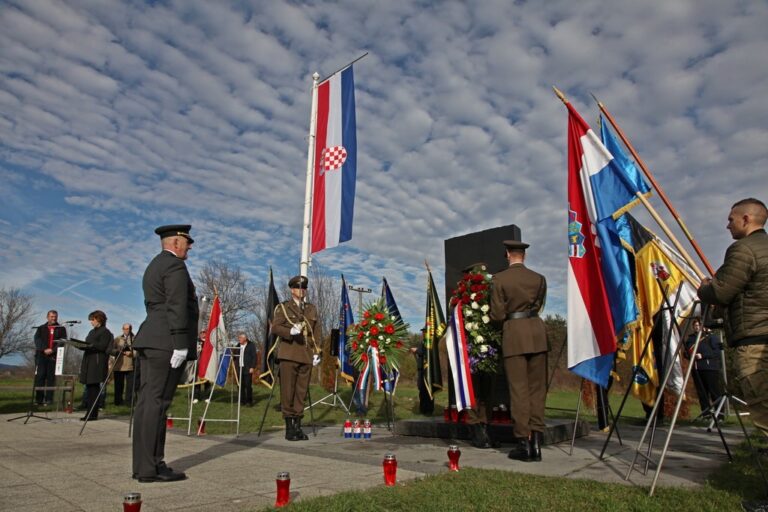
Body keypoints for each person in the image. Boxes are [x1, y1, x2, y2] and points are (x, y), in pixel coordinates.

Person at [132, 224, 199, 483]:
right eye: (187, 241)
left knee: (148, 403)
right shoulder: (174, 266)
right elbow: (177, 305)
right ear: (175, 243)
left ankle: (144, 465)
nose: (190, 246)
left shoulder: (154, 265)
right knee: (158, 404)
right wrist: (181, 342)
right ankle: (153, 466)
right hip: (167, 341)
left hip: (152, 338)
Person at [698, 198, 768, 437]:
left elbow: (721, 291)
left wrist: (704, 287)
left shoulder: (743, 249)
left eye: (731, 219)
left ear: (746, 219)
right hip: (761, 333)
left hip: (755, 340)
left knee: (762, 406)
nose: (728, 225)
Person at [490, 239, 548, 462]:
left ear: (507, 254)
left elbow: (496, 315)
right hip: (538, 334)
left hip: (514, 335)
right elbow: (538, 306)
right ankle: (536, 442)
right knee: (537, 390)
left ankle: (523, 443)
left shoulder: (500, 279)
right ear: (523, 256)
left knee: (519, 390)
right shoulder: (539, 279)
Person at [271, 275, 321, 441]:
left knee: (301, 392)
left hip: (306, 355)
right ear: (292, 290)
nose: (302, 290)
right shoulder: (283, 307)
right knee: (288, 391)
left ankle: (298, 427)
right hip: (289, 353)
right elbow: (275, 327)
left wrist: (316, 352)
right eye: (299, 288)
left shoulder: (311, 309)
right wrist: (289, 332)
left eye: (304, 288)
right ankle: (289, 428)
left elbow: (316, 332)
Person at [77, 310, 113, 421]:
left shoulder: (105, 332)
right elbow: (87, 343)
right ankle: (90, 412)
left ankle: (92, 414)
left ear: (99, 319)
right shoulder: (92, 332)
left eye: (92, 320)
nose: (91, 322)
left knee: (94, 388)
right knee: (89, 388)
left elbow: (102, 346)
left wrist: (90, 345)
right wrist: (80, 345)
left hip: (97, 363)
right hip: (88, 361)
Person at [684, 318, 724, 417]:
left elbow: (717, 352)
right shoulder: (690, 339)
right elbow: (686, 352)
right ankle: (706, 413)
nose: (697, 327)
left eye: (699, 325)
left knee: (714, 392)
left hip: (710, 368)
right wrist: (690, 355)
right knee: (702, 393)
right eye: (695, 325)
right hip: (697, 368)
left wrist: (703, 355)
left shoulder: (710, 337)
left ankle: (720, 414)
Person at [32, 310, 67, 406]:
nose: (54, 318)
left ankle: (49, 399)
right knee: (40, 376)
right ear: (47, 317)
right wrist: (44, 349)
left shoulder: (61, 328)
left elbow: (62, 341)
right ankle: (39, 399)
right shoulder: (41, 328)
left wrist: (53, 350)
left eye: (55, 316)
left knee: (51, 378)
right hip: (41, 355)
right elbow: (37, 340)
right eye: (52, 316)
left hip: (54, 355)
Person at [112, 324, 136, 406]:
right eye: (125, 329)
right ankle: (118, 402)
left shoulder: (135, 338)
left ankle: (129, 402)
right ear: (122, 329)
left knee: (130, 386)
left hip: (130, 365)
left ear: (131, 329)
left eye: (128, 329)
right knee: (118, 385)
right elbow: (111, 350)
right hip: (119, 365)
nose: (127, 330)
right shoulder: (117, 339)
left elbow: (138, 351)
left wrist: (132, 353)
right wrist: (118, 351)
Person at [237, 333, 256, 406]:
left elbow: (254, 356)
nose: (239, 339)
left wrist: (252, 367)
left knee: (248, 385)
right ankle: (242, 400)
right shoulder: (238, 345)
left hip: (247, 368)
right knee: (240, 385)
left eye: (240, 338)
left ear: (245, 338)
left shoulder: (251, 345)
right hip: (239, 367)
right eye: (239, 338)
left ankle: (249, 401)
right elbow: (235, 353)